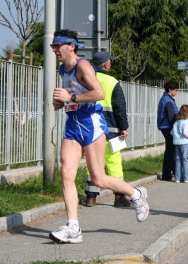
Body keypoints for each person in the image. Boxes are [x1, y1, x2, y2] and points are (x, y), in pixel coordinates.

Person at [50, 29, 149, 244]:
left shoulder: (83, 66)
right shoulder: (62, 68)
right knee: (66, 173)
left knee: (98, 179)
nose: (55, 49)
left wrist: (71, 96)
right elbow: (72, 97)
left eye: (58, 45)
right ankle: (73, 227)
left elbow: (99, 94)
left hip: (92, 123)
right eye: (53, 46)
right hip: (73, 124)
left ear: (72, 46)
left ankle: (136, 194)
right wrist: (63, 102)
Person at [84, 51, 131, 208]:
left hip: (90, 129)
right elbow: (119, 108)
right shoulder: (112, 81)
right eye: (110, 62)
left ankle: (91, 197)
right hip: (110, 129)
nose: (111, 64)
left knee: (93, 162)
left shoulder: (85, 79)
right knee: (114, 162)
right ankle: (119, 197)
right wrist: (123, 127)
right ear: (105, 65)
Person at [157, 80, 179, 181]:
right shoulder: (168, 101)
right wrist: (176, 128)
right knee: (171, 151)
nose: (177, 92)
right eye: (176, 90)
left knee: (171, 150)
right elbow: (171, 117)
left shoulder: (166, 99)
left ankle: (173, 172)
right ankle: (168, 174)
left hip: (166, 126)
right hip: (168, 127)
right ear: (170, 90)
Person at [171, 104, 188, 183]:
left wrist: (177, 137)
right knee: (186, 159)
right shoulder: (186, 122)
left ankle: (178, 177)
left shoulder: (176, 122)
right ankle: (187, 177)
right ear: (186, 113)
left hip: (177, 143)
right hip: (185, 143)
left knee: (178, 160)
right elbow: (185, 133)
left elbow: (171, 132)